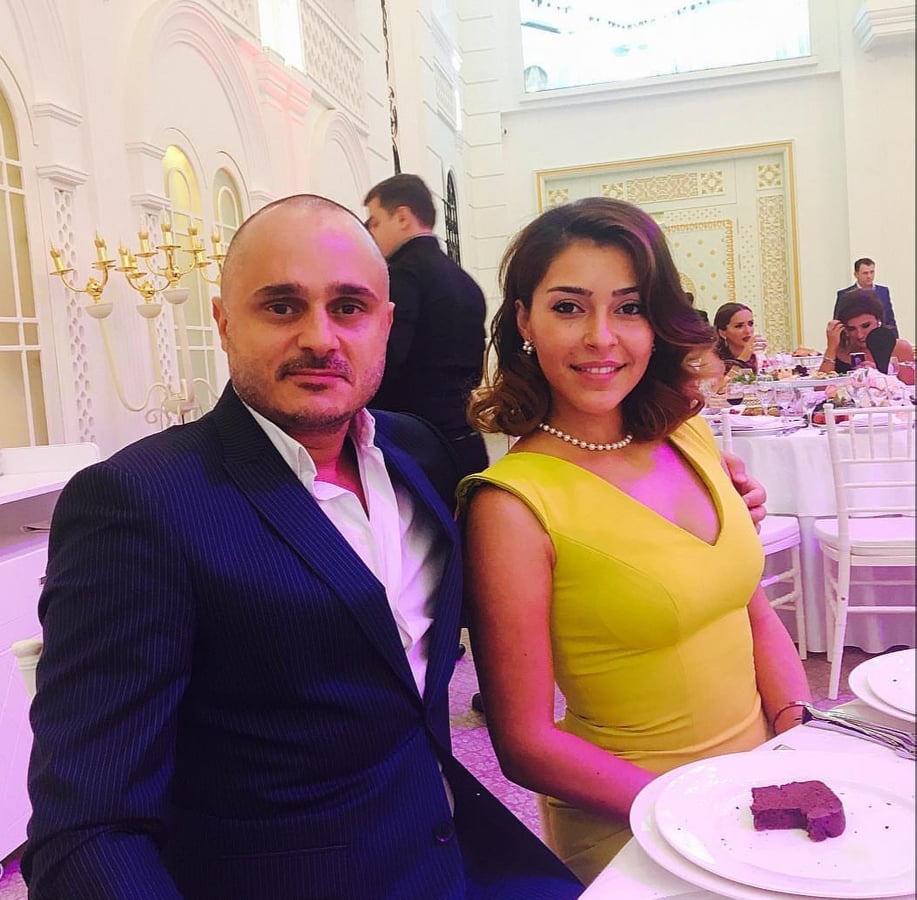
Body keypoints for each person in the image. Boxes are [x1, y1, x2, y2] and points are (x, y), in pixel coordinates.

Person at [22, 195, 585, 900]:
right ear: (225, 323)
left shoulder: (416, 453)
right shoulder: (139, 503)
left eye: (349, 307)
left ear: (385, 324)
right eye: (282, 306)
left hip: (451, 855)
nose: (320, 337)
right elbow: (86, 831)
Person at [457, 197, 810, 886]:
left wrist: (796, 733)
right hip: (635, 819)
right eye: (568, 307)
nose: (601, 337)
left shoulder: (689, 433)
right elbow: (525, 744)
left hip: (759, 789)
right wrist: (693, 815)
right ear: (524, 320)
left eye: (628, 307)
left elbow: (751, 612)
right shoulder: (513, 504)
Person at [364, 173, 489, 478]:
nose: (370, 232)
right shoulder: (464, 281)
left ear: (402, 217)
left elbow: (389, 359)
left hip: (416, 441)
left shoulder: (403, 276)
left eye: (375, 221)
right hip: (465, 434)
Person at [819, 288, 914, 385]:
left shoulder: (899, 348)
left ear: (878, 320)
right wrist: (831, 348)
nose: (860, 335)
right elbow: (819, 389)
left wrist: (879, 373)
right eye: (852, 329)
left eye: (866, 326)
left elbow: (910, 388)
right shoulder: (839, 351)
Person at [834, 257, 898, 339]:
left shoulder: (883, 291)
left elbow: (890, 319)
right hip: (855, 339)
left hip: (880, 339)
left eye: (872, 272)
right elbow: (838, 323)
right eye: (865, 273)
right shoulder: (845, 295)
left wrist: (895, 339)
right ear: (856, 274)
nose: (869, 276)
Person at [713, 301, 762, 376]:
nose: (748, 331)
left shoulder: (758, 358)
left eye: (750, 324)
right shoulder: (713, 360)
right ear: (722, 333)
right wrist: (742, 359)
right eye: (739, 326)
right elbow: (725, 382)